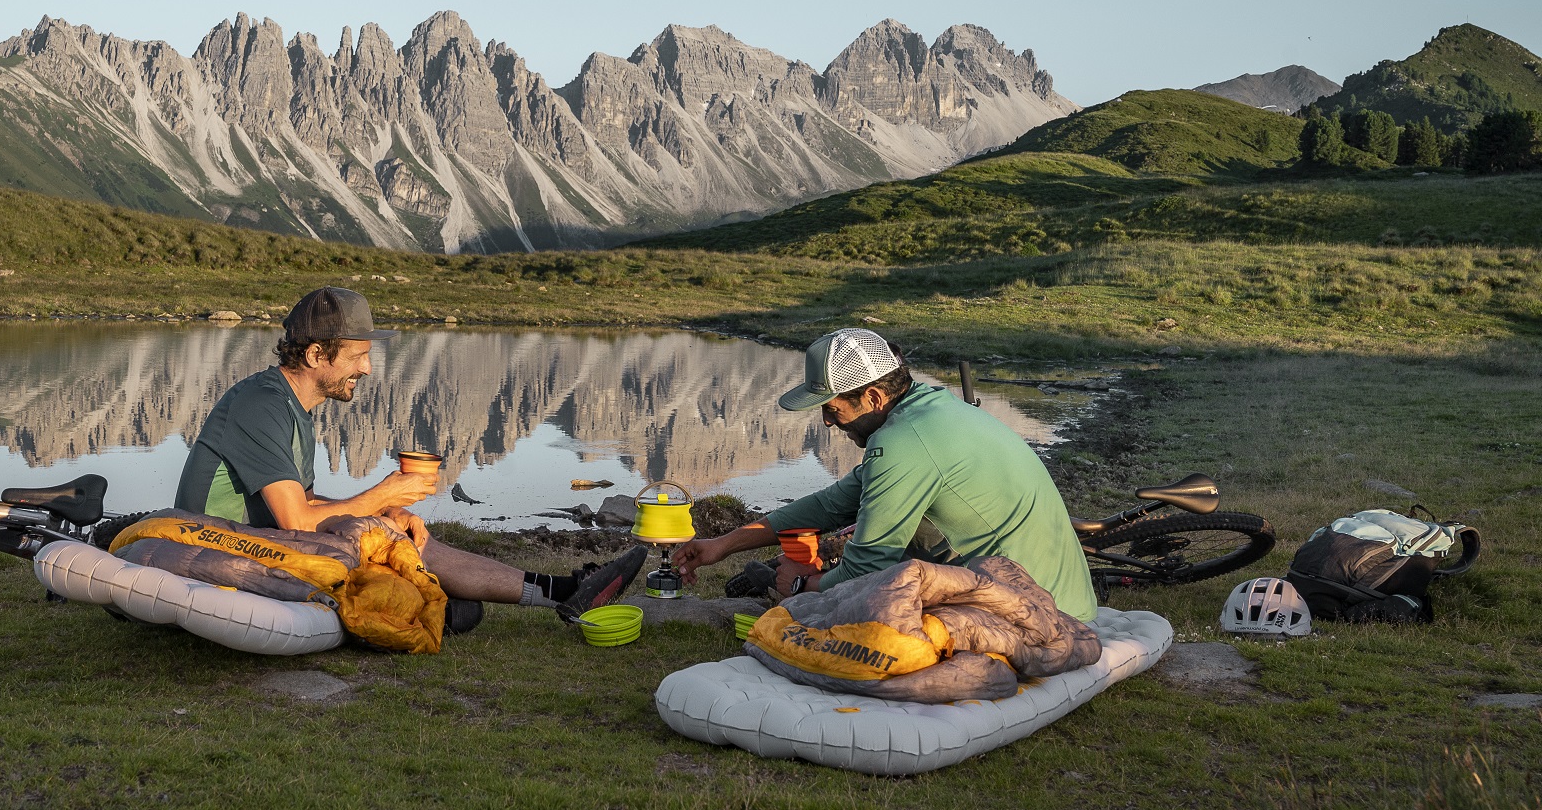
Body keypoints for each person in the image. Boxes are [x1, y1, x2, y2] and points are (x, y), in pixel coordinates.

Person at [175, 286, 645, 630]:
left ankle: (561, 591)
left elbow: (309, 509)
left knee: (397, 530)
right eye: (357, 356)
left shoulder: (290, 406)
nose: (367, 368)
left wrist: (385, 508)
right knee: (395, 547)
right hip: (223, 552)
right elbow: (297, 519)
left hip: (262, 540)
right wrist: (383, 493)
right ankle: (557, 592)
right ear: (317, 354)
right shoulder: (262, 405)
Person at [672, 328, 1098, 623]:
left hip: (1036, 615)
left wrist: (803, 583)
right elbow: (830, 505)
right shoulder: (932, 409)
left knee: (832, 611)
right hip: (1064, 600)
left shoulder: (903, 442)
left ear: (873, 396)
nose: (826, 421)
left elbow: (864, 566)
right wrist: (724, 544)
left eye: (832, 408)